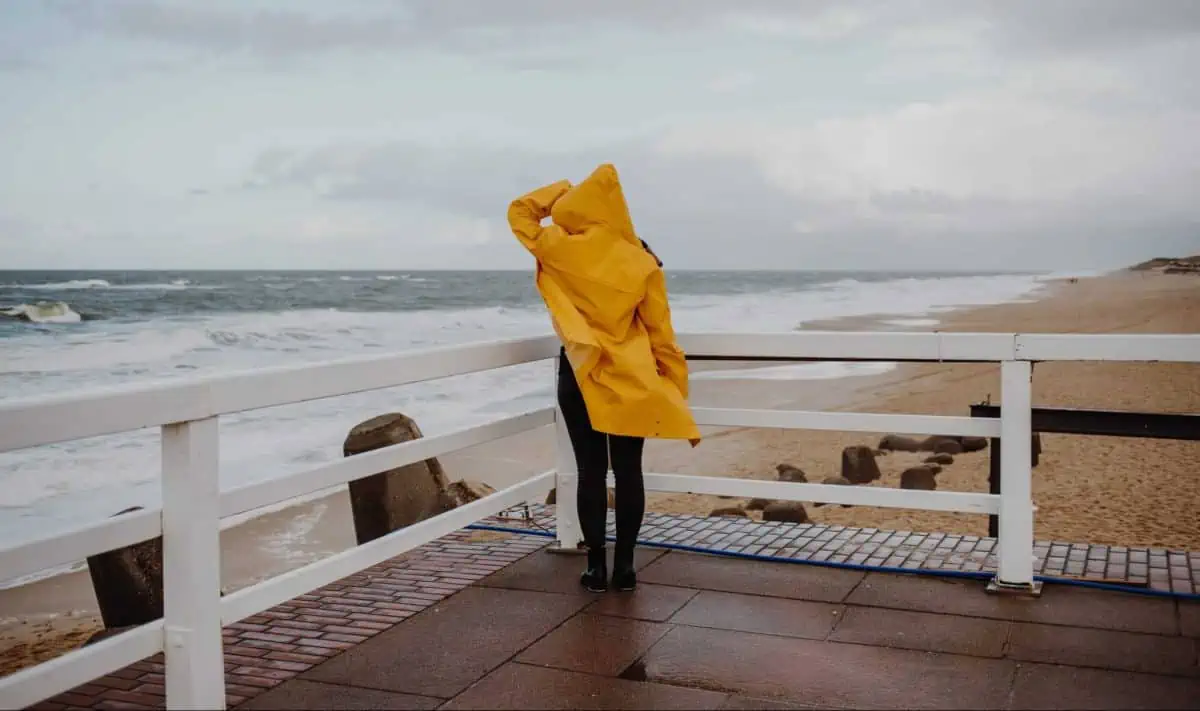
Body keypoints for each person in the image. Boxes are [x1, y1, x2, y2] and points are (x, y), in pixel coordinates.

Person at [507, 163, 700, 593]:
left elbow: (519, 212)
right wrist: (673, 387)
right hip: (630, 380)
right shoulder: (642, 261)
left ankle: (595, 567)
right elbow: (661, 335)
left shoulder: (558, 246)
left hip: (578, 374)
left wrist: (562, 191)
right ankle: (626, 567)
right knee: (629, 472)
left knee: (589, 472)